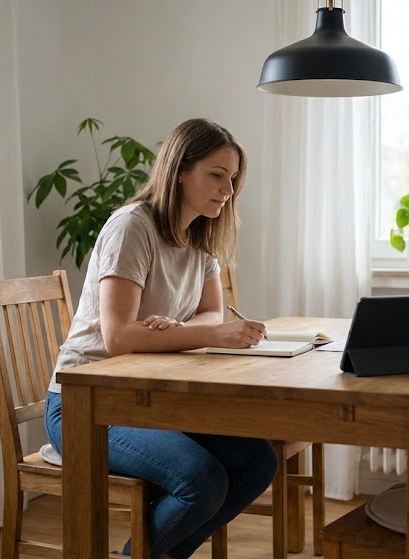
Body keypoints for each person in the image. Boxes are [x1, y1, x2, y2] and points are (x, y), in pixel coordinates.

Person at [43, 118, 278, 558]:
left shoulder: (199, 235)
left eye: (232, 180)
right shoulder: (132, 226)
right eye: (216, 175)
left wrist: (187, 330)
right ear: (179, 170)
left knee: (257, 462)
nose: (227, 190)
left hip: (149, 397)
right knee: (201, 480)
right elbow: (117, 336)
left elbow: (212, 310)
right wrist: (200, 333)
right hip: (84, 404)